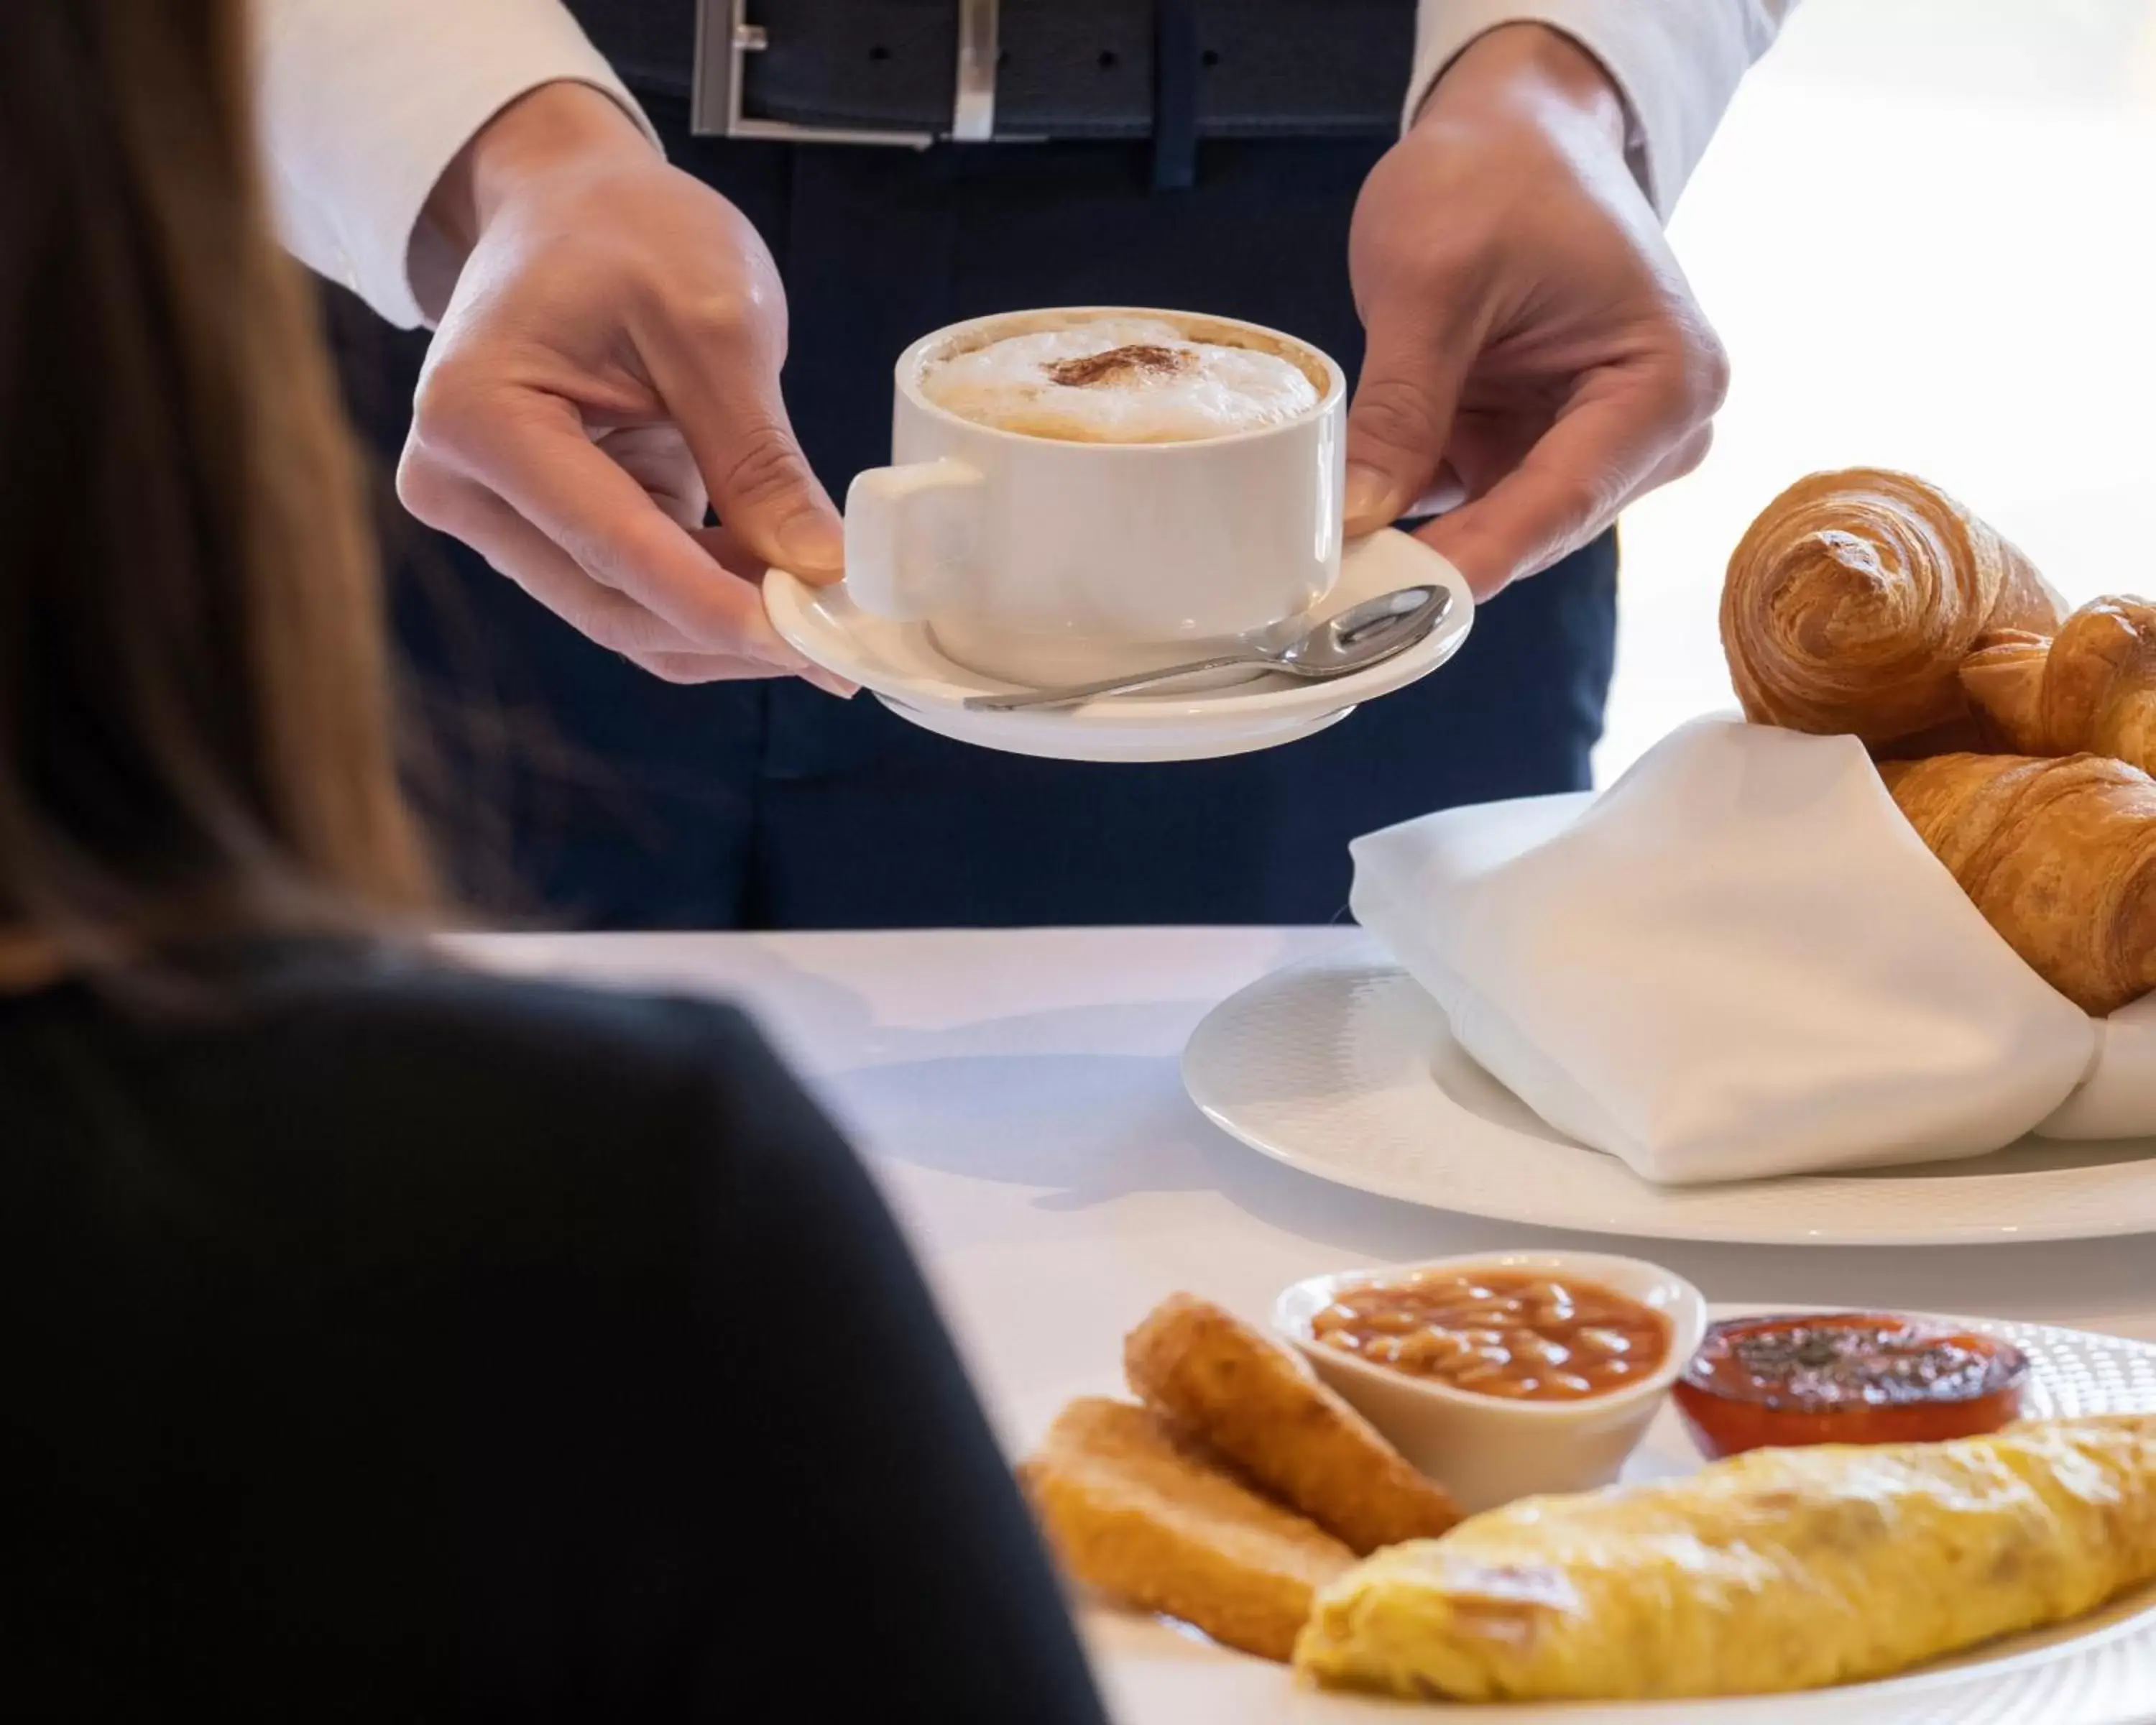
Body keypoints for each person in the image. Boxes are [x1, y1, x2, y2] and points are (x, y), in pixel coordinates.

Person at [0, 3, 1107, 1717]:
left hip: (1297, 221)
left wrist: (1570, 60)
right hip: (453, 269)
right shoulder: (634, 1196)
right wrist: (487, 140)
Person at [264, 1, 1792, 927]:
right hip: (517, 289)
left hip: (1372, 279)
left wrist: (1573, 77)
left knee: (1302, 1240)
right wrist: (482, 142)